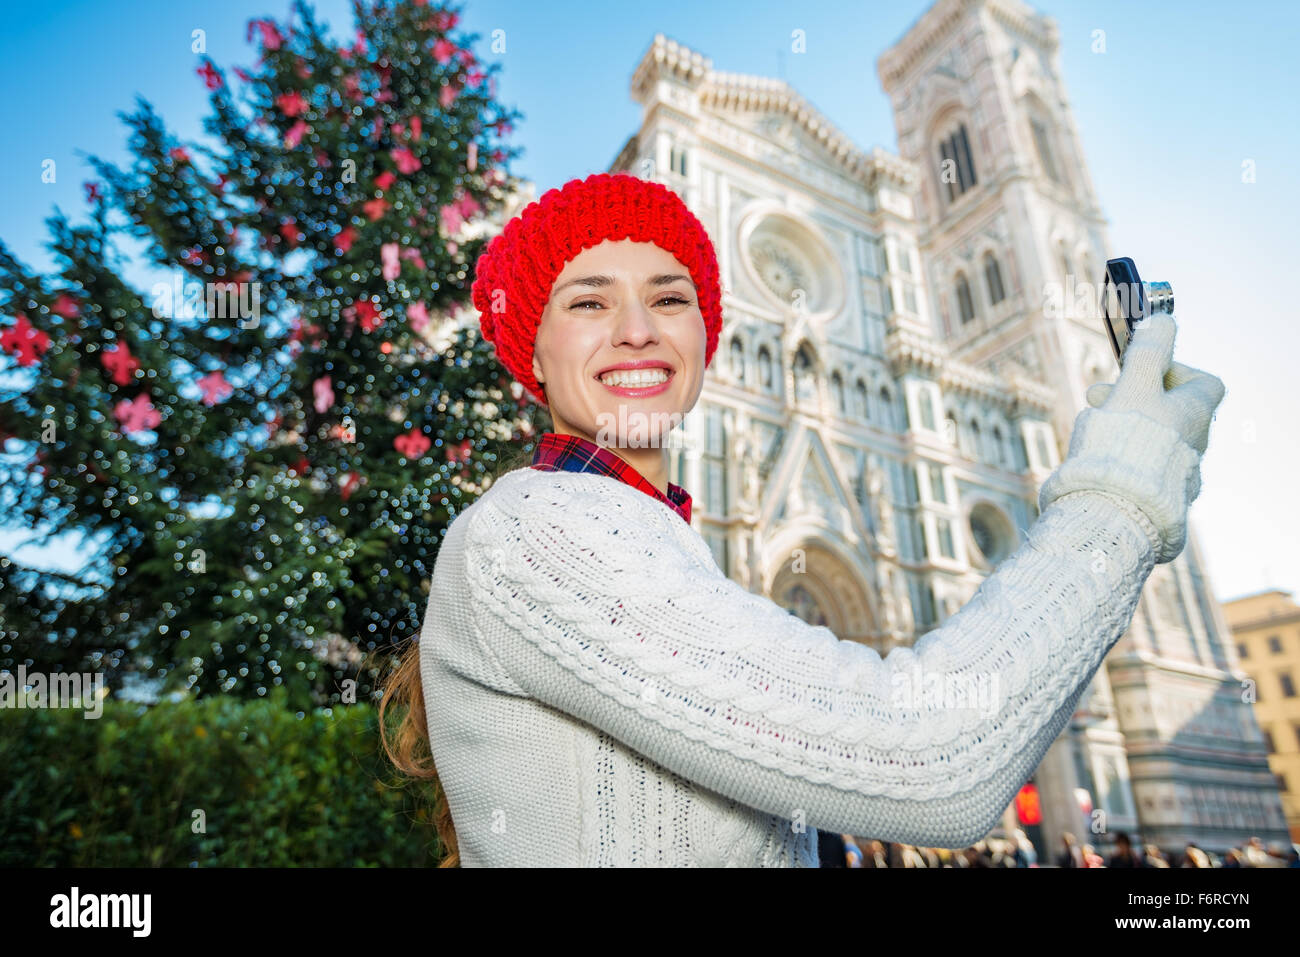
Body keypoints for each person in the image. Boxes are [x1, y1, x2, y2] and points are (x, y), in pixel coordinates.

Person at [378, 171, 1226, 867]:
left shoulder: (642, 534)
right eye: (589, 302)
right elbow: (933, 757)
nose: (636, 330)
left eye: (669, 298)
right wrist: (1123, 487)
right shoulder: (535, 529)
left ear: (710, 337)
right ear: (531, 347)